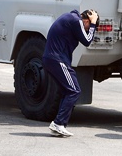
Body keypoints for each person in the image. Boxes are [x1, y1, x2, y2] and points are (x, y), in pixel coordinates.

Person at [42, 9, 98, 137]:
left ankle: (59, 124)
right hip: (57, 60)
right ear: (86, 20)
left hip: (53, 59)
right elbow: (87, 40)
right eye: (90, 25)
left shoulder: (70, 18)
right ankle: (58, 123)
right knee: (74, 91)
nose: (89, 29)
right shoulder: (76, 20)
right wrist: (93, 24)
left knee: (67, 91)